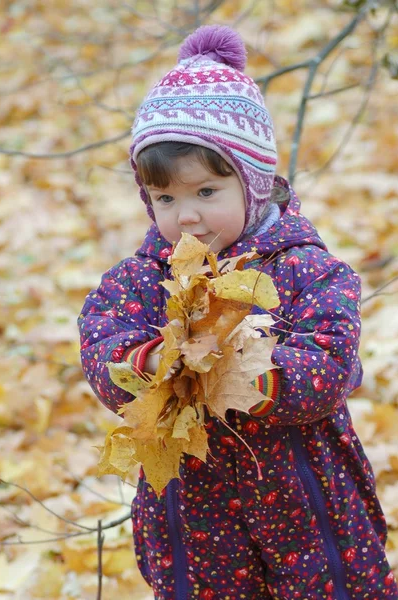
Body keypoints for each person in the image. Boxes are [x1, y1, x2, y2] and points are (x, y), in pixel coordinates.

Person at [78, 25, 398, 600]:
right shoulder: (142, 279)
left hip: (307, 500)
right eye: (166, 199)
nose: (187, 217)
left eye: (206, 193)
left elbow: (329, 361)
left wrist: (242, 369)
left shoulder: (303, 269)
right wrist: (152, 361)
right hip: (191, 513)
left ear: (251, 185)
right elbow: (104, 346)